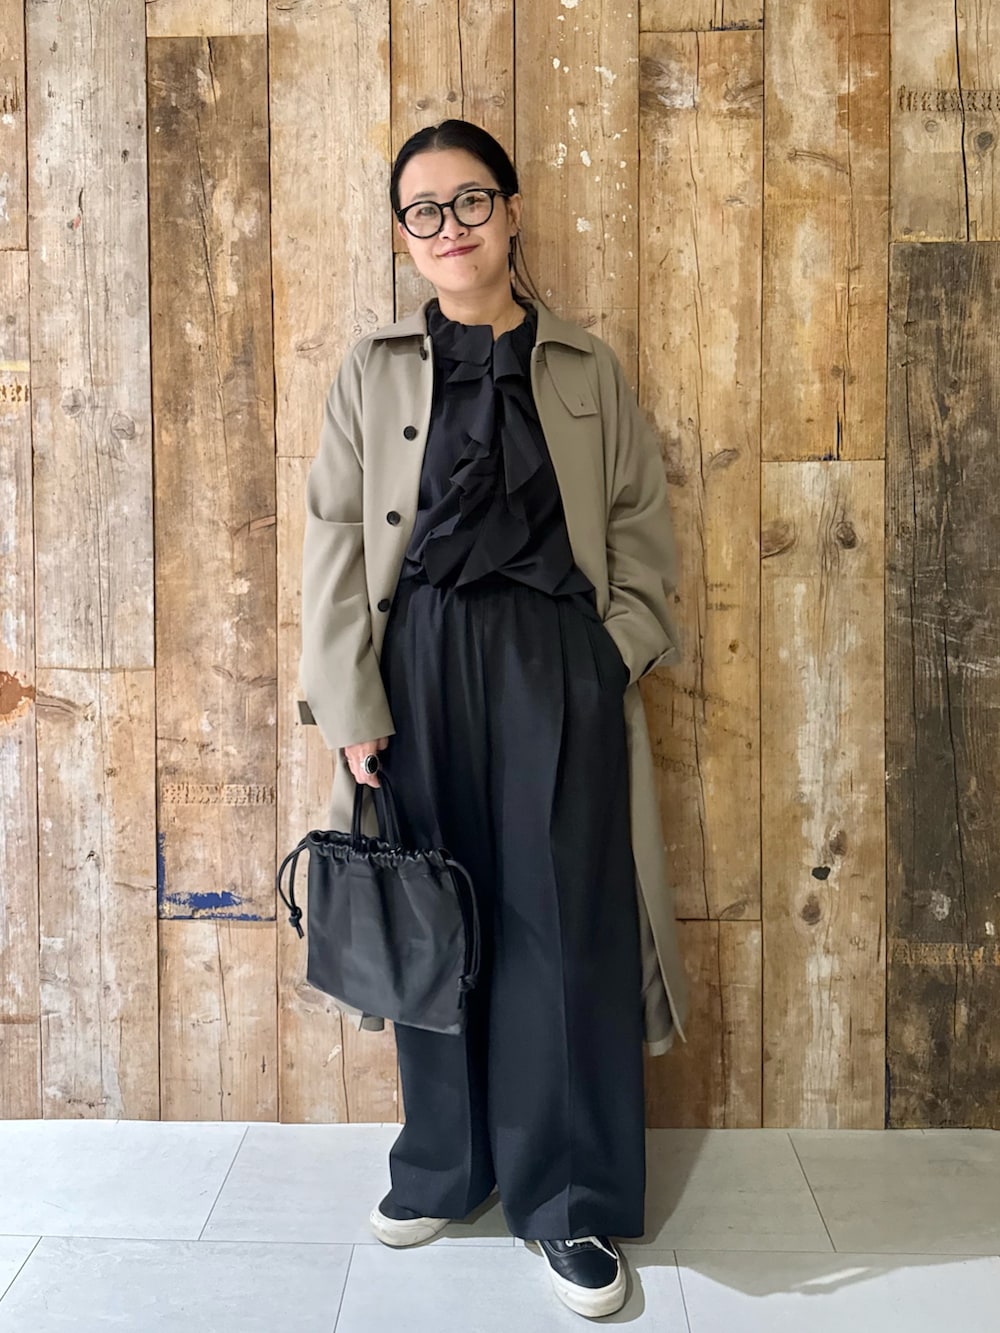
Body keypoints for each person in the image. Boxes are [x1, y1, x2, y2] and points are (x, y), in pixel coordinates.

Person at [298, 119, 689, 1321]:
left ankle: (566, 1200)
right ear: (404, 238)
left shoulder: (583, 366)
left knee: (560, 927)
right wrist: (350, 704)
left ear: (512, 213)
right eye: (424, 210)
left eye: (471, 200)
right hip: (414, 667)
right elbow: (331, 536)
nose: (450, 226)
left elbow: (639, 522)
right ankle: (443, 1165)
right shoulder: (372, 370)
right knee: (435, 917)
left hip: (553, 665)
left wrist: (609, 655)